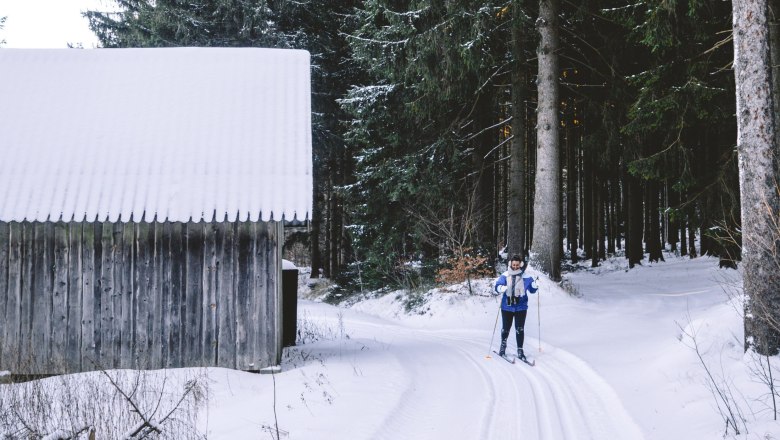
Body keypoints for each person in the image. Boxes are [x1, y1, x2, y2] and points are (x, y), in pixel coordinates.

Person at [494, 255, 539, 361]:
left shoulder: (527, 277)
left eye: (517, 265)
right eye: (513, 265)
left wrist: (535, 285)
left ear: (521, 265)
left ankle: (520, 350)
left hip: (521, 307)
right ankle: (502, 348)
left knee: (520, 329)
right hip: (507, 307)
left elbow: (532, 290)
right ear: (510, 264)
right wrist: (502, 288)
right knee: (506, 328)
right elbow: (497, 287)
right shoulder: (505, 275)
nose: (515, 267)